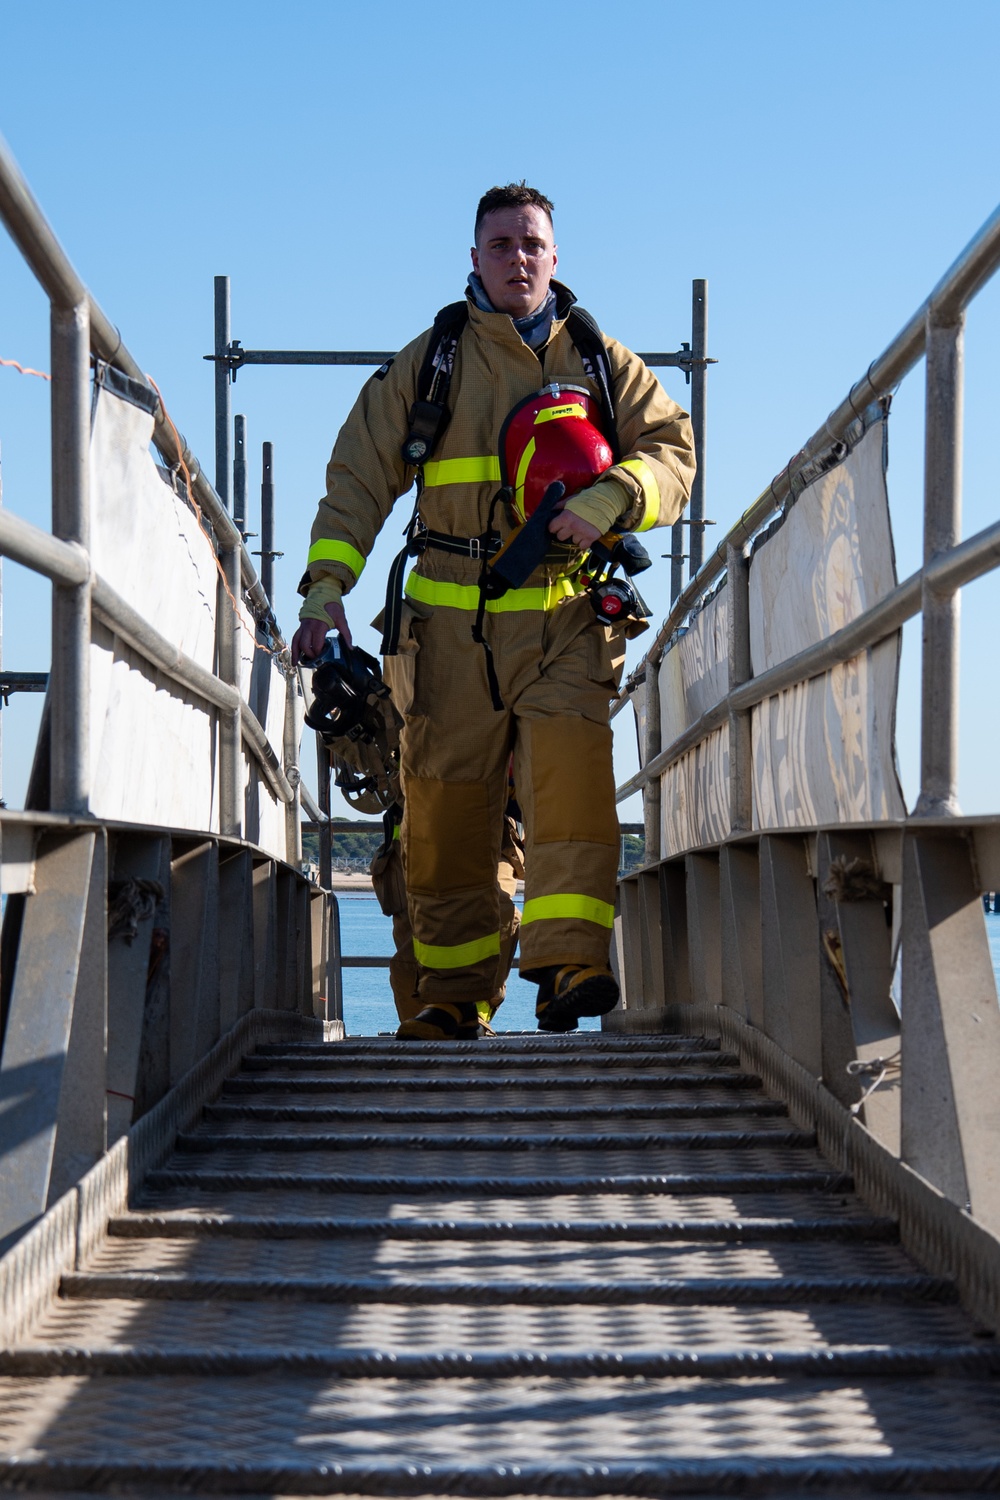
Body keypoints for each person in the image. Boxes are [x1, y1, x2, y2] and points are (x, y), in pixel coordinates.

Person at [292, 183, 695, 1040]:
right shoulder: (431, 361)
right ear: (474, 259)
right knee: (444, 816)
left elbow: (673, 453)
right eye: (503, 244)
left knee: (573, 792)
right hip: (445, 637)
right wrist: (328, 586)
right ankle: (450, 998)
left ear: (556, 258)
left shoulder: (602, 361)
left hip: (566, 620)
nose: (520, 258)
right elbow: (359, 478)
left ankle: (569, 966)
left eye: (533, 244)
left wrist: (616, 496)